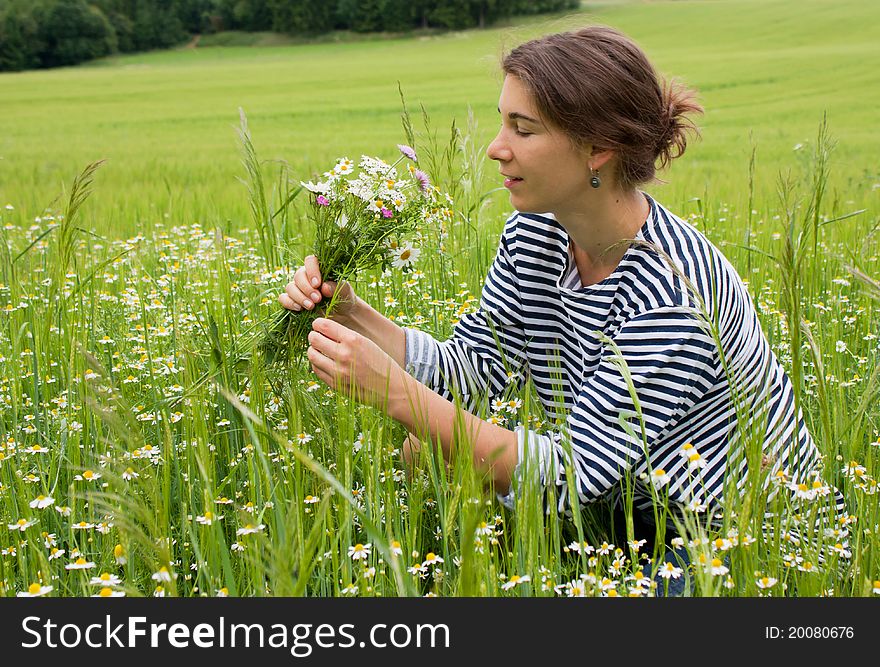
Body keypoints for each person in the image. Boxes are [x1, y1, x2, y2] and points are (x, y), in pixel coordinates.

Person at [279, 25, 844, 595]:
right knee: (426, 452)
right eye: (502, 122)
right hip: (627, 510)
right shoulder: (535, 233)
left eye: (522, 129)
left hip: (738, 543)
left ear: (597, 148)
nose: (496, 147)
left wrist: (400, 395)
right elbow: (475, 367)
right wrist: (353, 313)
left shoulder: (673, 295)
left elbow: (569, 476)